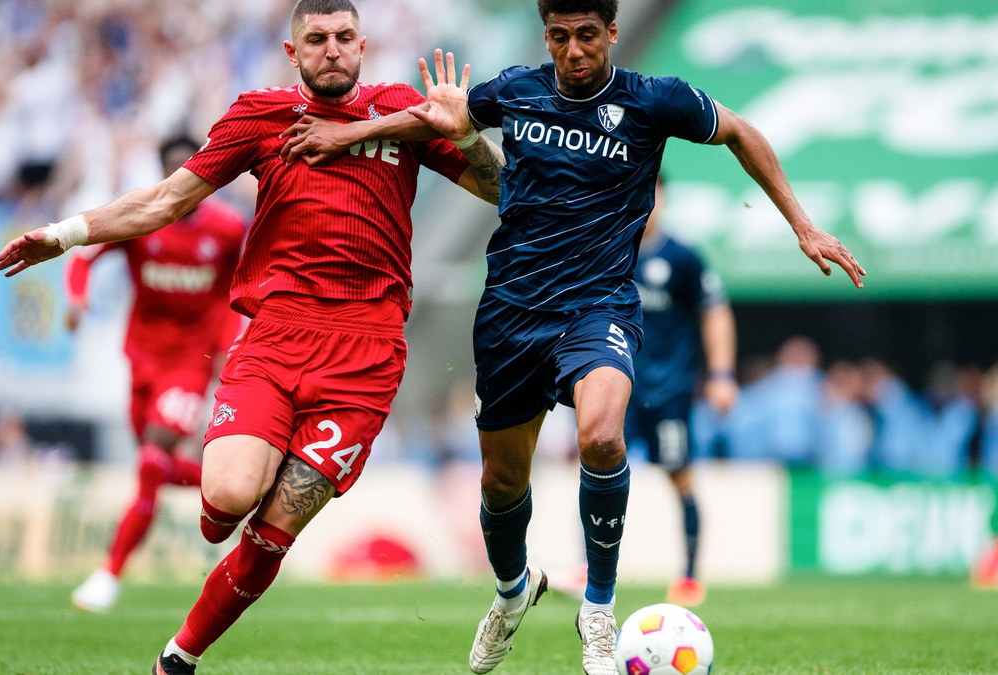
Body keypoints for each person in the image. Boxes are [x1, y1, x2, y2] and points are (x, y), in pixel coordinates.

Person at [281, 1, 864, 672]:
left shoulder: (653, 100)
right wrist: (350, 135)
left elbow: (741, 131)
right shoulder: (517, 89)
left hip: (599, 304)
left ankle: (599, 607)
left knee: (603, 435)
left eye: (587, 35)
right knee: (502, 481)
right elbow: (437, 119)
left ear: (611, 32)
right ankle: (512, 591)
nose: (574, 50)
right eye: (560, 37)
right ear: (547, 36)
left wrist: (803, 225)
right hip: (512, 312)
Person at [0, 1, 502, 672]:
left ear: (363, 44)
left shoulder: (402, 112)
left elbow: (504, 190)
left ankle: (177, 657)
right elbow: (165, 201)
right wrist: (64, 235)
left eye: (344, 37)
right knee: (227, 501)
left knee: (270, 535)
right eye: (316, 39)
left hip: (366, 354)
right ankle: (224, 495)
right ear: (293, 53)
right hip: (275, 339)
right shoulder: (261, 115)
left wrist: (467, 137)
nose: (331, 49)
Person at [67, 136, 247, 613]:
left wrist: (226, 347)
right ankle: (240, 493)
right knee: (156, 468)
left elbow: (238, 289)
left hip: (190, 365)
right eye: (175, 170)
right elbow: (83, 255)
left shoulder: (227, 229)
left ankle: (109, 575)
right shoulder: (142, 221)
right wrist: (78, 298)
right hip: (142, 360)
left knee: (150, 461)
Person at [625, 177, 737, 607]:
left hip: (668, 390)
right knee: (596, 467)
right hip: (615, 386)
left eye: (653, 192)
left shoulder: (683, 257)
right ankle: (588, 567)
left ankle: (689, 575)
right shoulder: (607, 247)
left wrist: (722, 374)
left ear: (664, 198)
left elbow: (715, 311)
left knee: (680, 475)